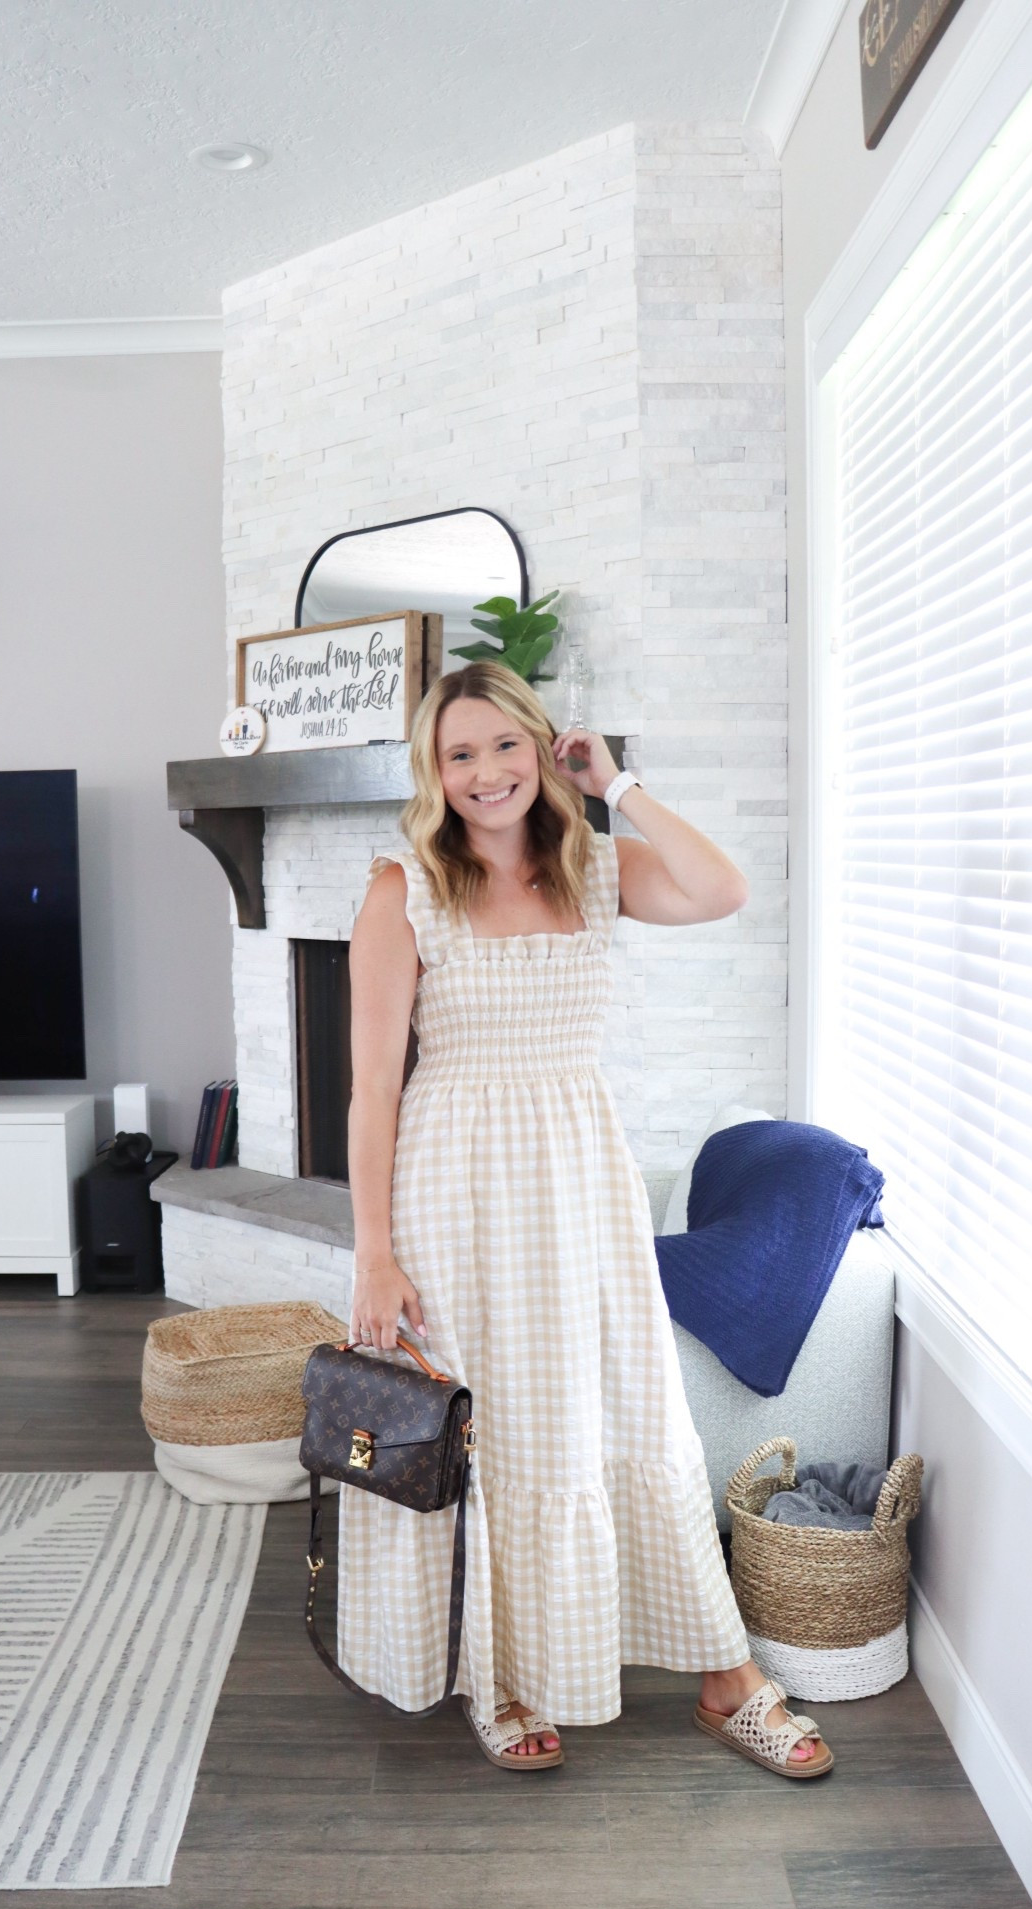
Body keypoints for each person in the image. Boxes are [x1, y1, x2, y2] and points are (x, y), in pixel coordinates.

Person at [343, 661, 832, 1778]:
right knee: (489, 1423)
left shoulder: (598, 866)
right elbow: (374, 1085)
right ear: (433, 769)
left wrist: (621, 784)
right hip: (450, 1185)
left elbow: (723, 889)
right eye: (456, 754)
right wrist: (372, 1250)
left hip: (577, 1179)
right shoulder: (401, 888)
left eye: (502, 746)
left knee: (629, 1409)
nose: (482, 773)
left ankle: (725, 1675)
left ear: (542, 746)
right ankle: (497, 1669)